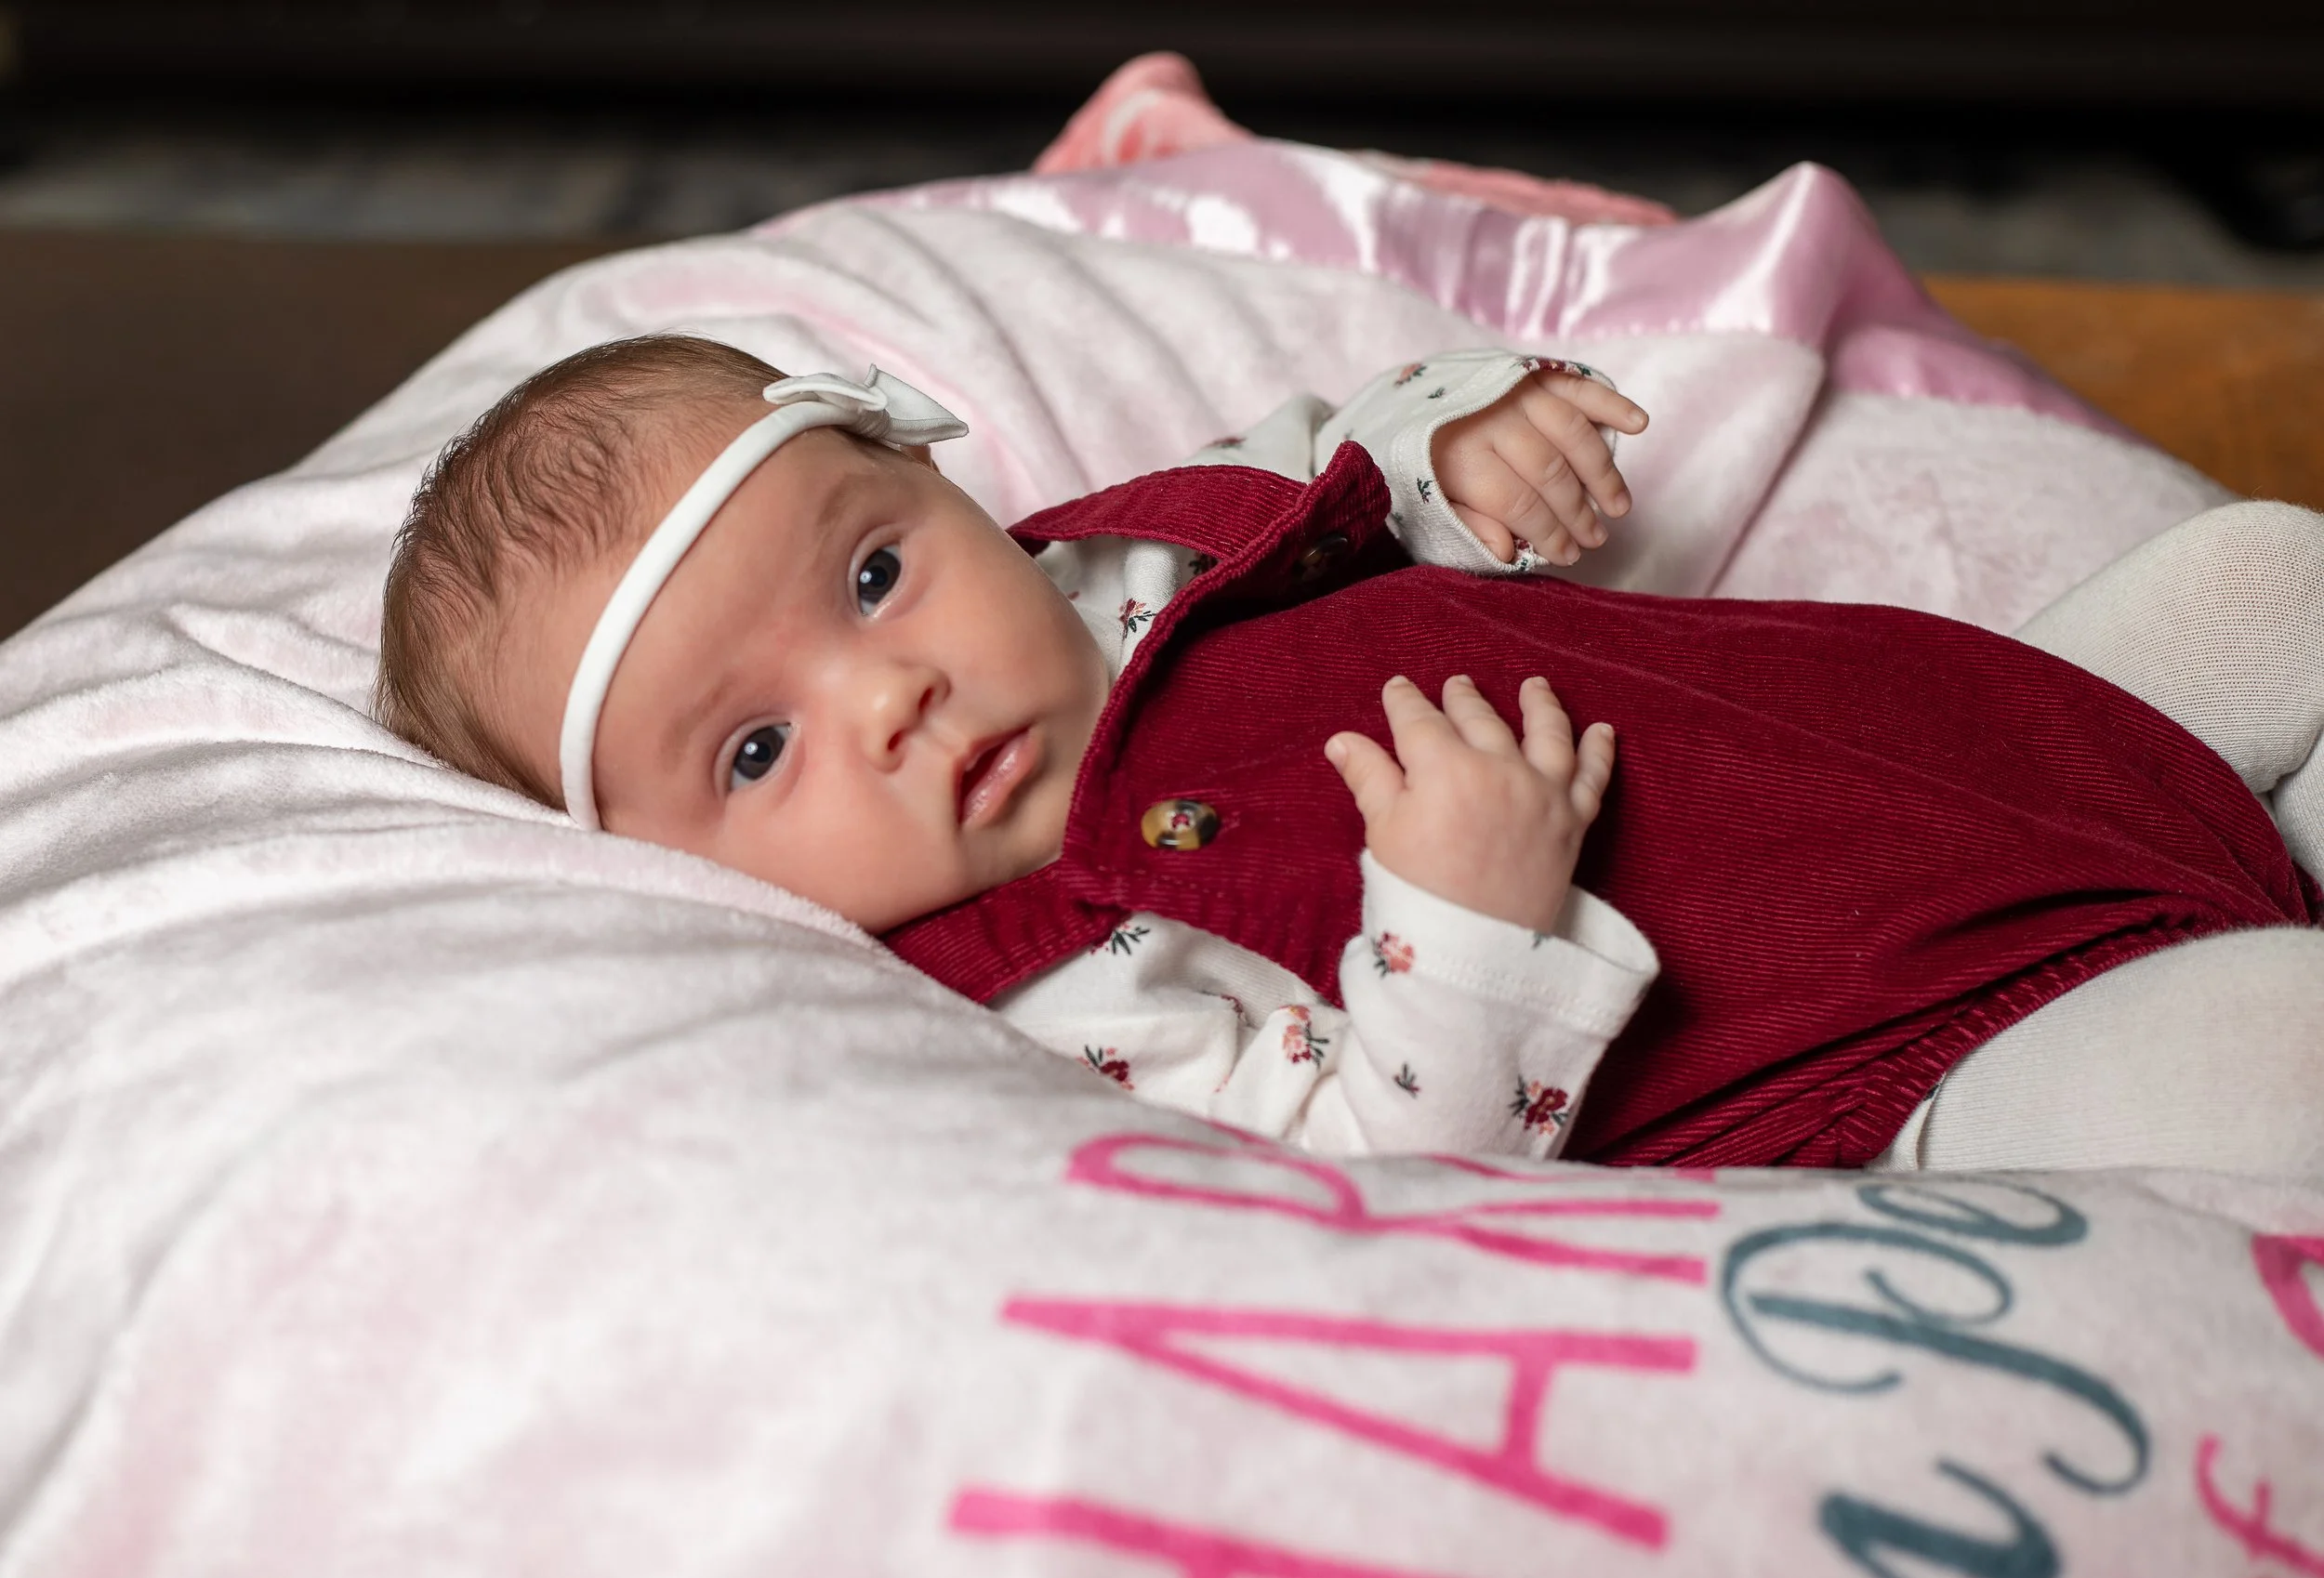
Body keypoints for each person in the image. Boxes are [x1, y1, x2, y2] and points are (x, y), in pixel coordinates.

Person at [376, 335, 2324, 1177]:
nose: (885, 699)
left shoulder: (1125, 562)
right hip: (1868, 1062)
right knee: (2266, 1049)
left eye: (874, 572)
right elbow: (1367, 1170)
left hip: (1932, 736)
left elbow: (1343, 462)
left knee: (2267, 579)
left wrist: (1461, 447)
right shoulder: (1060, 991)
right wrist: (1458, 925)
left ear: (937, 475)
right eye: (755, 749)